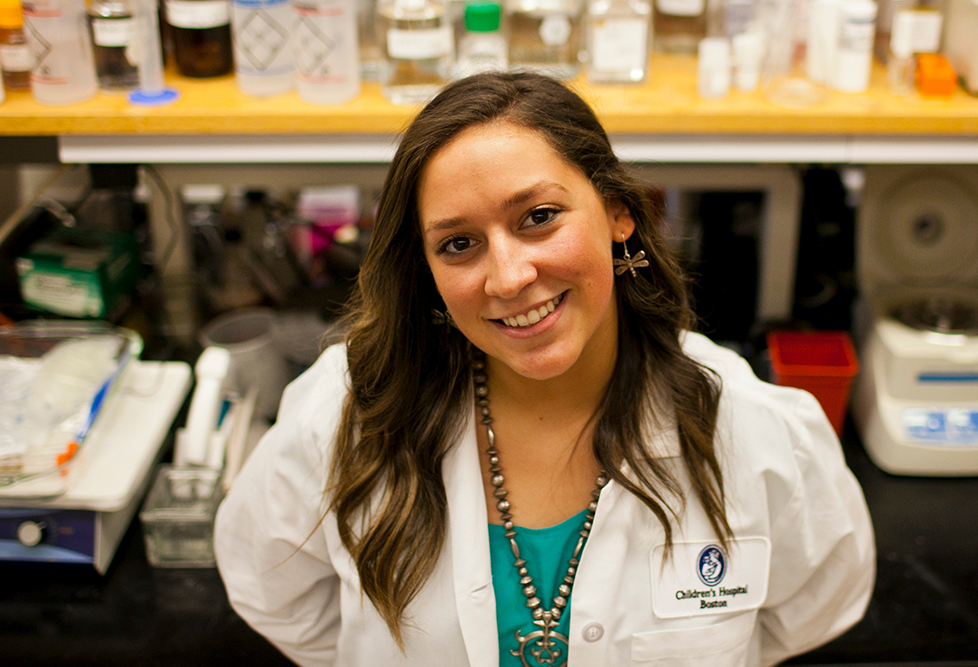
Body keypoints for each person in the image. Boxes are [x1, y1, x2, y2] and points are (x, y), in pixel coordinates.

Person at [214, 72, 875, 666]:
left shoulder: (747, 426)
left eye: (538, 217)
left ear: (619, 212)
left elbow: (814, 603)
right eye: (458, 244)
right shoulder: (348, 412)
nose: (507, 277)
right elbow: (275, 594)